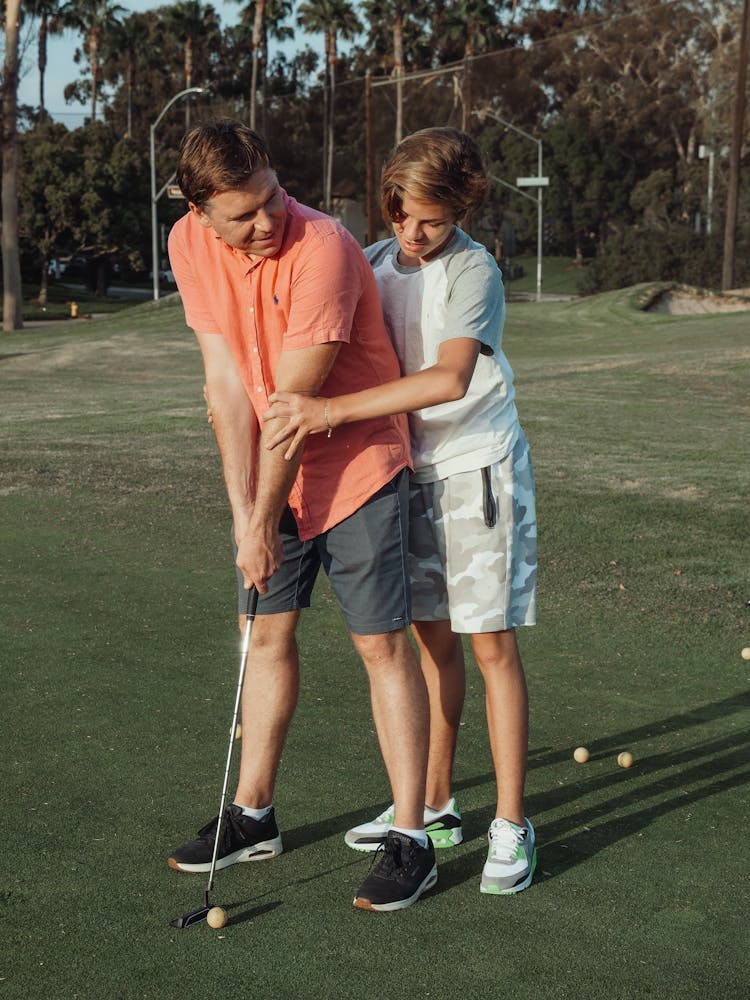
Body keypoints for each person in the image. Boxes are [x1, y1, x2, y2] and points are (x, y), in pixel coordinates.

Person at [166, 120, 436, 913]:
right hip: (271, 477)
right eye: (243, 214)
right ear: (200, 212)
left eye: (272, 197)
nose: (267, 221)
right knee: (266, 633)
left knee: (380, 645)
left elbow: (291, 406)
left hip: (356, 467)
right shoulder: (190, 246)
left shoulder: (321, 247)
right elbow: (224, 389)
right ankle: (254, 816)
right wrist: (244, 514)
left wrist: (256, 526)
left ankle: (412, 837)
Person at [264, 126, 538, 895]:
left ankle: (513, 825)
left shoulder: (473, 271)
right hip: (405, 475)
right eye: (400, 216)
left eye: (430, 221)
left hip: (475, 469)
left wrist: (329, 411)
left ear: (461, 210)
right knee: (432, 646)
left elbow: (449, 380)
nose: (411, 235)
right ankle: (438, 805)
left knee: (490, 647)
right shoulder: (380, 261)